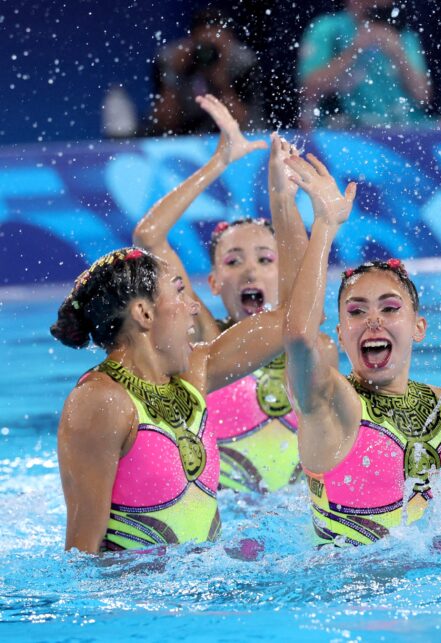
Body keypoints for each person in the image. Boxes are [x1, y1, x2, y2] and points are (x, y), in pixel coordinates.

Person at [283, 153, 441, 547]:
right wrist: (325, 226)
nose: (373, 320)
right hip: (349, 595)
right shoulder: (330, 405)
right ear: (341, 335)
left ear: (419, 328)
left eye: (390, 308)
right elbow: (297, 339)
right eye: (357, 312)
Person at [133, 95, 336, 494]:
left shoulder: (314, 346)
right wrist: (219, 162)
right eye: (232, 262)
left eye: (264, 259)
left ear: (285, 270)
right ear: (212, 283)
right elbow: (148, 236)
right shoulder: (203, 341)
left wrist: (285, 199)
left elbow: (297, 315)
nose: (249, 270)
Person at [51, 242, 294, 553]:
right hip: (138, 594)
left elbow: (295, 322)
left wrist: (320, 224)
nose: (192, 306)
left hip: (204, 587)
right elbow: (82, 556)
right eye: (178, 292)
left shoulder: (190, 376)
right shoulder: (100, 400)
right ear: (144, 313)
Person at [298, 0, 432, 129]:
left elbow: (423, 96)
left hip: (405, 128)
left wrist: (398, 53)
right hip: (345, 133)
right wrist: (354, 51)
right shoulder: (328, 29)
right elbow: (308, 89)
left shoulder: (402, 34)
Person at [150, 7, 261, 135]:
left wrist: (222, 83)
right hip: (186, 136)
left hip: (238, 137)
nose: (209, 54)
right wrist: (173, 76)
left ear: (229, 40)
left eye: (216, 46)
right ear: (191, 40)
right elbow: (164, 124)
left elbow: (242, 123)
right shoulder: (171, 59)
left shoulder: (243, 63)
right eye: (204, 46)